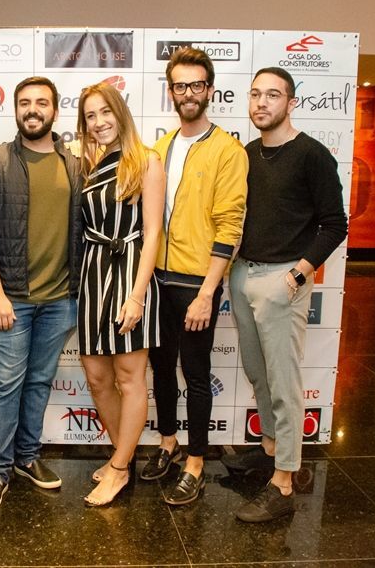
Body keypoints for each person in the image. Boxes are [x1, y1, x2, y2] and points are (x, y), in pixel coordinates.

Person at [225, 67, 348, 522]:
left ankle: (283, 484)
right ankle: (271, 449)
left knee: (284, 384)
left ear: (291, 102)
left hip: (283, 280)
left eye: (273, 95)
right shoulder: (247, 154)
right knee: (259, 374)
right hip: (243, 275)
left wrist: (298, 274)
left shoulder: (312, 155)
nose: (262, 102)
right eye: (255, 94)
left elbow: (335, 224)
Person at [0, 76, 83, 513]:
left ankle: (26, 458)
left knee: (38, 382)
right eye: (25, 103)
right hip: (9, 298)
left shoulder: (75, 165)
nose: (33, 110)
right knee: (5, 386)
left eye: (42, 102)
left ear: (55, 110)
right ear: (15, 110)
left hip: (60, 300)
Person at [142, 48, 248, 507]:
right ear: (171, 91)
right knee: (162, 368)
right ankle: (168, 442)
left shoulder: (228, 150)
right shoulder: (160, 148)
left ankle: (197, 463)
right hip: (157, 279)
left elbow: (230, 225)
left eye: (196, 85)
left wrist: (208, 292)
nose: (188, 93)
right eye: (180, 85)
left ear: (210, 90)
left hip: (195, 284)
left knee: (197, 373)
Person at [76, 82, 165, 507]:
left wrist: (137, 295)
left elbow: (153, 233)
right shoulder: (91, 165)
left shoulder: (146, 161)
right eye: (90, 116)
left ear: (120, 112)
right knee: (97, 378)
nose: (99, 122)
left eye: (105, 112)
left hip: (129, 272)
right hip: (93, 274)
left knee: (130, 379)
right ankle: (122, 458)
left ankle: (117, 468)